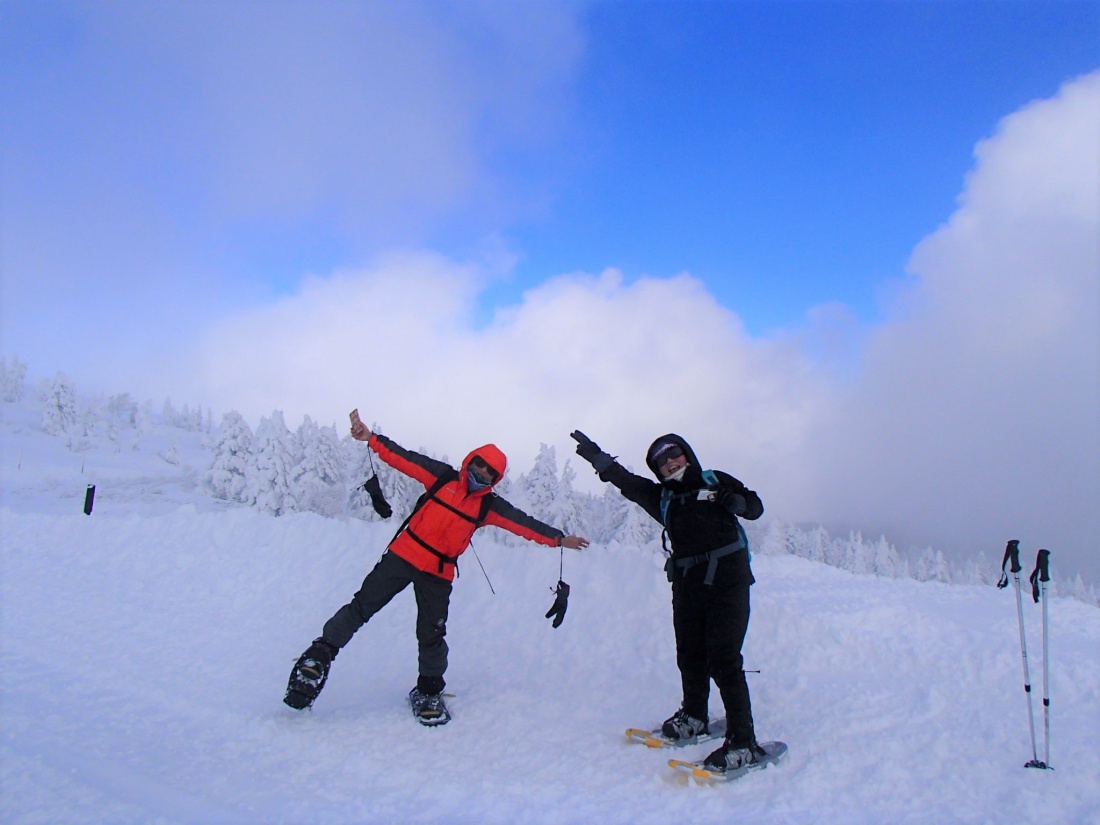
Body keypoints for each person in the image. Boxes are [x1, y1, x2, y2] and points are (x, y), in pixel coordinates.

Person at [284, 409, 589, 725]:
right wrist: (371, 439)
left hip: (438, 574)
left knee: (431, 634)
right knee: (361, 608)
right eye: (479, 464)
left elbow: (522, 524)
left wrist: (558, 539)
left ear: (495, 479)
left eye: (489, 472)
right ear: (470, 460)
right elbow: (405, 458)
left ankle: (428, 691)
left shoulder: (488, 506)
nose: (481, 472)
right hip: (403, 555)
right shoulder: (442, 477)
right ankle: (318, 657)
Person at [571, 430, 766, 772]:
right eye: (661, 461)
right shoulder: (662, 497)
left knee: (724, 660)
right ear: (658, 471)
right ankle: (695, 715)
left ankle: (743, 741)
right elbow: (626, 482)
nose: (670, 462)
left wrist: (734, 502)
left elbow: (755, 507)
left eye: (674, 454)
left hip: (729, 583)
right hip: (688, 586)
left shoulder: (715, 479)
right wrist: (597, 457)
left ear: (686, 454)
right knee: (690, 655)